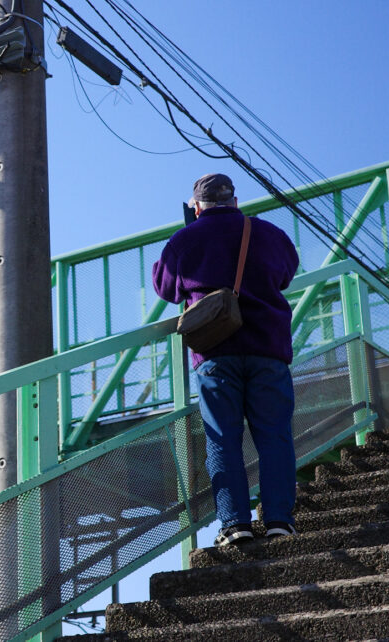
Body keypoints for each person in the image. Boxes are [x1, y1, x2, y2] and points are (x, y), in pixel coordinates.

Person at [152, 173, 300, 546]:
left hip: (215, 352)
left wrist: (191, 232)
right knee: (275, 437)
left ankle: (235, 525)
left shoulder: (184, 240)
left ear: (197, 207)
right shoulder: (268, 233)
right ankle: (280, 520)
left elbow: (165, 287)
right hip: (268, 349)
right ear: (234, 201)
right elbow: (285, 274)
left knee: (222, 439)